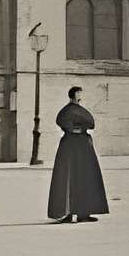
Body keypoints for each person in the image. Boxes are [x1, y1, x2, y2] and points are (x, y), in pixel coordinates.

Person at [47, 86, 109, 224]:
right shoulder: (67, 111)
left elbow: (91, 123)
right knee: (68, 176)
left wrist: (80, 129)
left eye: (81, 92)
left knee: (85, 177)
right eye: (79, 92)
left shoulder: (80, 110)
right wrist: (75, 129)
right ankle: (67, 212)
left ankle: (83, 213)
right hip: (70, 146)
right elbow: (62, 121)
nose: (81, 95)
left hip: (83, 146)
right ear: (74, 95)